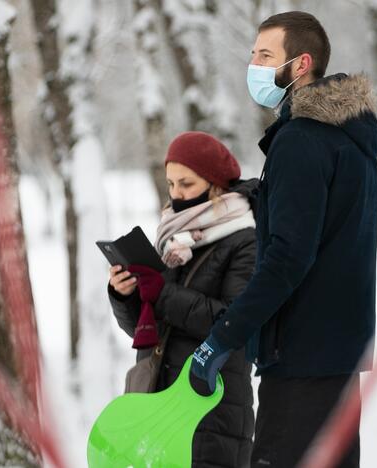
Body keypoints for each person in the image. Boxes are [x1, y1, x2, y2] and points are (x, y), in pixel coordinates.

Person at [190, 11, 377, 468]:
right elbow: (330, 225)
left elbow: (288, 258)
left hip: (300, 358)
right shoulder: (349, 138)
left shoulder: (299, 139)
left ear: (300, 64)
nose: (253, 65)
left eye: (264, 55)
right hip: (338, 354)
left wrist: (223, 337)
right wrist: (263, 196)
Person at [108, 131, 258, 467]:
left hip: (210, 409)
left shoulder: (244, 239)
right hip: (160, 405)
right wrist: (127, 295)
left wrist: (161, 292)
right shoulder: (174, 236)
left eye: (186, 184)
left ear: (215, 183)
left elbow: (232, 324)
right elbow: (145, 331)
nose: (176, 195)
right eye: (171, 184)